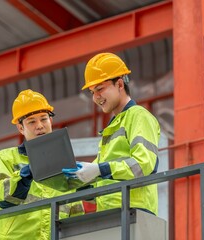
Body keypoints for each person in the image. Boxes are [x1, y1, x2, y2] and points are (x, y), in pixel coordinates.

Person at [63, 52, 160, 215]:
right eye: (92, 92)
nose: (96, 97)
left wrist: (99, 170)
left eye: (100, 89)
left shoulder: (138, 116)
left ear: (120, 85)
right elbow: (107, 177)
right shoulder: (113, 126)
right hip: (112, 213)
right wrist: (82, 181)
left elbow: (143, 165)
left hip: (135, 211)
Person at [0, 89, 84, 240]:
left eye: (44, 119)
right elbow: (1, 197)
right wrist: (26, 174)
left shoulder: (65, 164)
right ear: (21, 128)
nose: (39, 126)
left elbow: (75, 214)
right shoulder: (6, 158)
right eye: (31, 121)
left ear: (50, 121)